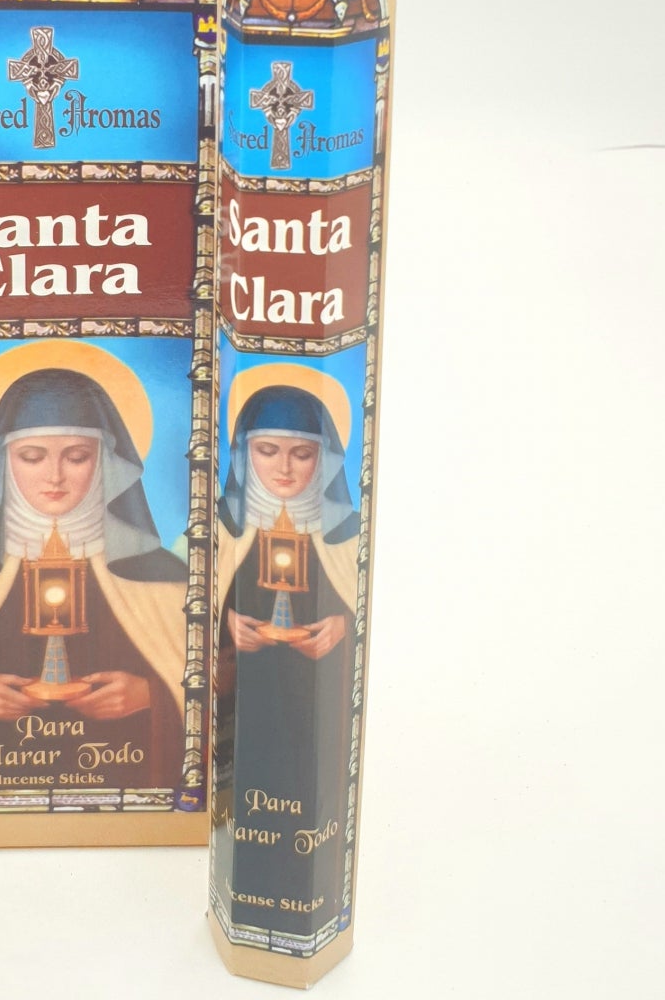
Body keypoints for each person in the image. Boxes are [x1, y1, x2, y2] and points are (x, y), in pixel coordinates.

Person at [0, 367, 189, 794]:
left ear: (104, 461)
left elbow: (208, 690)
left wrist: (151, 695)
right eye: (32, 457)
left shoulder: (163, 580)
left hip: (122, 776)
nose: (54, 476)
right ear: (3, 462)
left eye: (76, 457)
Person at [213, 382, 361, 936]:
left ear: (325, 459)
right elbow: (193, 607)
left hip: (311, 699)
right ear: (243, 453)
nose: (283, 468)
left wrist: (341, 625)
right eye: (267, 450)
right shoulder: (221, 528)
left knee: (306, 792)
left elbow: (359, 603)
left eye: (302, 453)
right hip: (245, 702)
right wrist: (225, 628)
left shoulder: (346, 536)